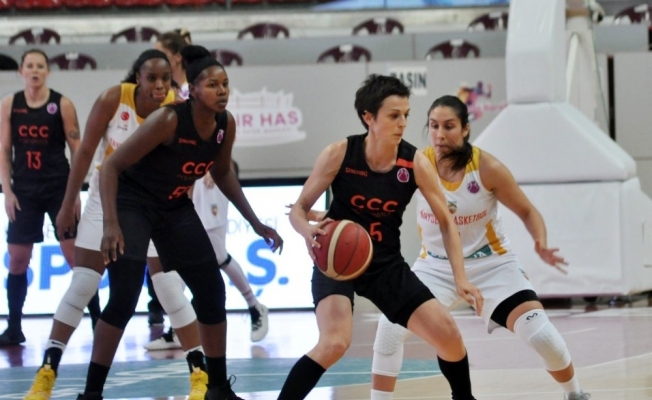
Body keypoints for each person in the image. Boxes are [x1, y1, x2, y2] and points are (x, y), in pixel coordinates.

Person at [76, 44, 282, 400]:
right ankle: (91, 393)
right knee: (124, 296)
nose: (222, 91)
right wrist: (110, 224)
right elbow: (111, 166)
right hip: (132, 203)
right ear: (193, 90)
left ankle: (218, 389)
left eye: (225, 84)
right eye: (213, 85)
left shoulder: (225, 124)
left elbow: (222, 173)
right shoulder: (168, 119)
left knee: (211, 289)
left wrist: (254, 222)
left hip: (172, 206)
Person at [370, 95, 590, 400]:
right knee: (389, 330)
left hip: (491, 265)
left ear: (465, 129)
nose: (440, 134)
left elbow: (527, 211)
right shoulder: (418, 163)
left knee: (542, 335)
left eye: (449, 126)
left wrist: (540, 241)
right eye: (434, 126)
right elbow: (375, 199)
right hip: (435, 266)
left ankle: (575, 393)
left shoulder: (487, 168)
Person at [21, 49, 211, 400]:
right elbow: (85, 151)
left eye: (165, 79)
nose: (159, 85)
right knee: (83, 283)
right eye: (152, 78)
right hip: (105, 197)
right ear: (137, 78)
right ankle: (47, 371)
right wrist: (68, 203)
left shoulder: (177, 108)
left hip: (152, 202)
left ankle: (200, 375)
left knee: (168, 287)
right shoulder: (113, 98)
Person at [281, 75, 483, 400]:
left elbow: (446, 221)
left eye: (406, 115)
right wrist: (307, 231)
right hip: (337, 261)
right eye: (393, 115)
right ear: (368, 117)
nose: (403, 123)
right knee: (334, 343)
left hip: (384, 264)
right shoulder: (339, 154)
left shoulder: (414, 162)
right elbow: (299, 209)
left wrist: (461, 278)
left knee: (448, 335)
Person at [0, 49, 100, 346]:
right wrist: (7, 190)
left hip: (59, 190)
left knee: (76, 259)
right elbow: (4, 149)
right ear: (21, 71)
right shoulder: (10, 104)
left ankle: (99, 323)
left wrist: (75, 193)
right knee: (18, 260)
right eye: (30, 66)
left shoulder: (62, 104)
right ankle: (14, 327)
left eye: (40, 66)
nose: (35, 71)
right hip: (24, 191)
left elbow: (78, 149)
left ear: (47, 72)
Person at [145, 160, 270, 350]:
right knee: (184, 259)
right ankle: (179, 328)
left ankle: (255, 307)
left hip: (207, 177)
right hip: (186, 179)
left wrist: (214, 165)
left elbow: (223, 147)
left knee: (217, 255)